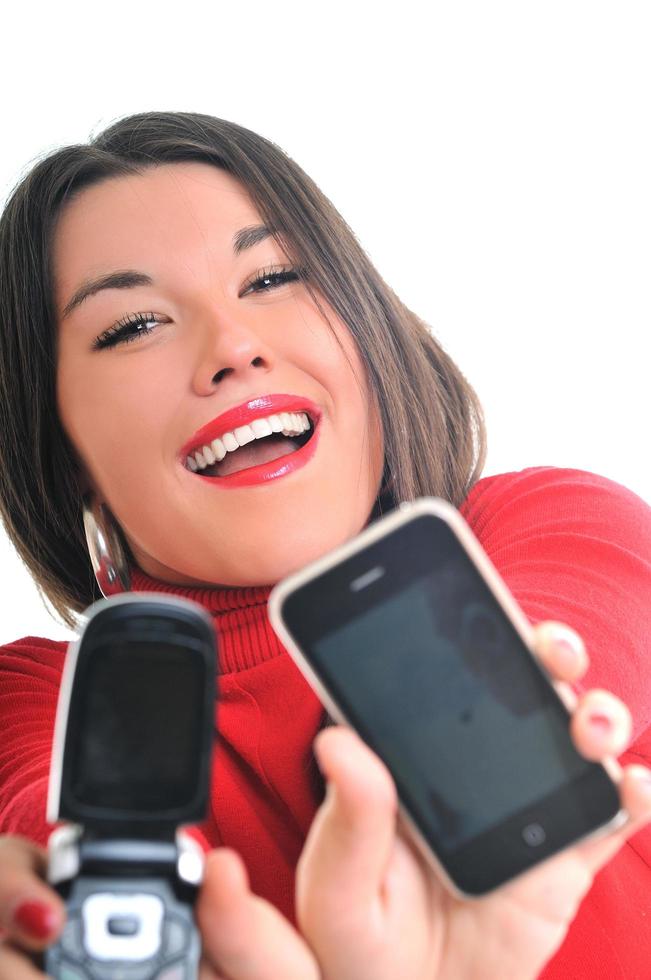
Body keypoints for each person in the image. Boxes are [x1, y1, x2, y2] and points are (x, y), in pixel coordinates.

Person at [0, 111, 649, 980]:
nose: (232, 347)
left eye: (272, 277)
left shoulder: (549, 523)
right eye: (132, 326)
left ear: (364, 329)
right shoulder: (50, 698)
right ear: (62, 450)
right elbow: (84, 860)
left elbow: (473, 731)